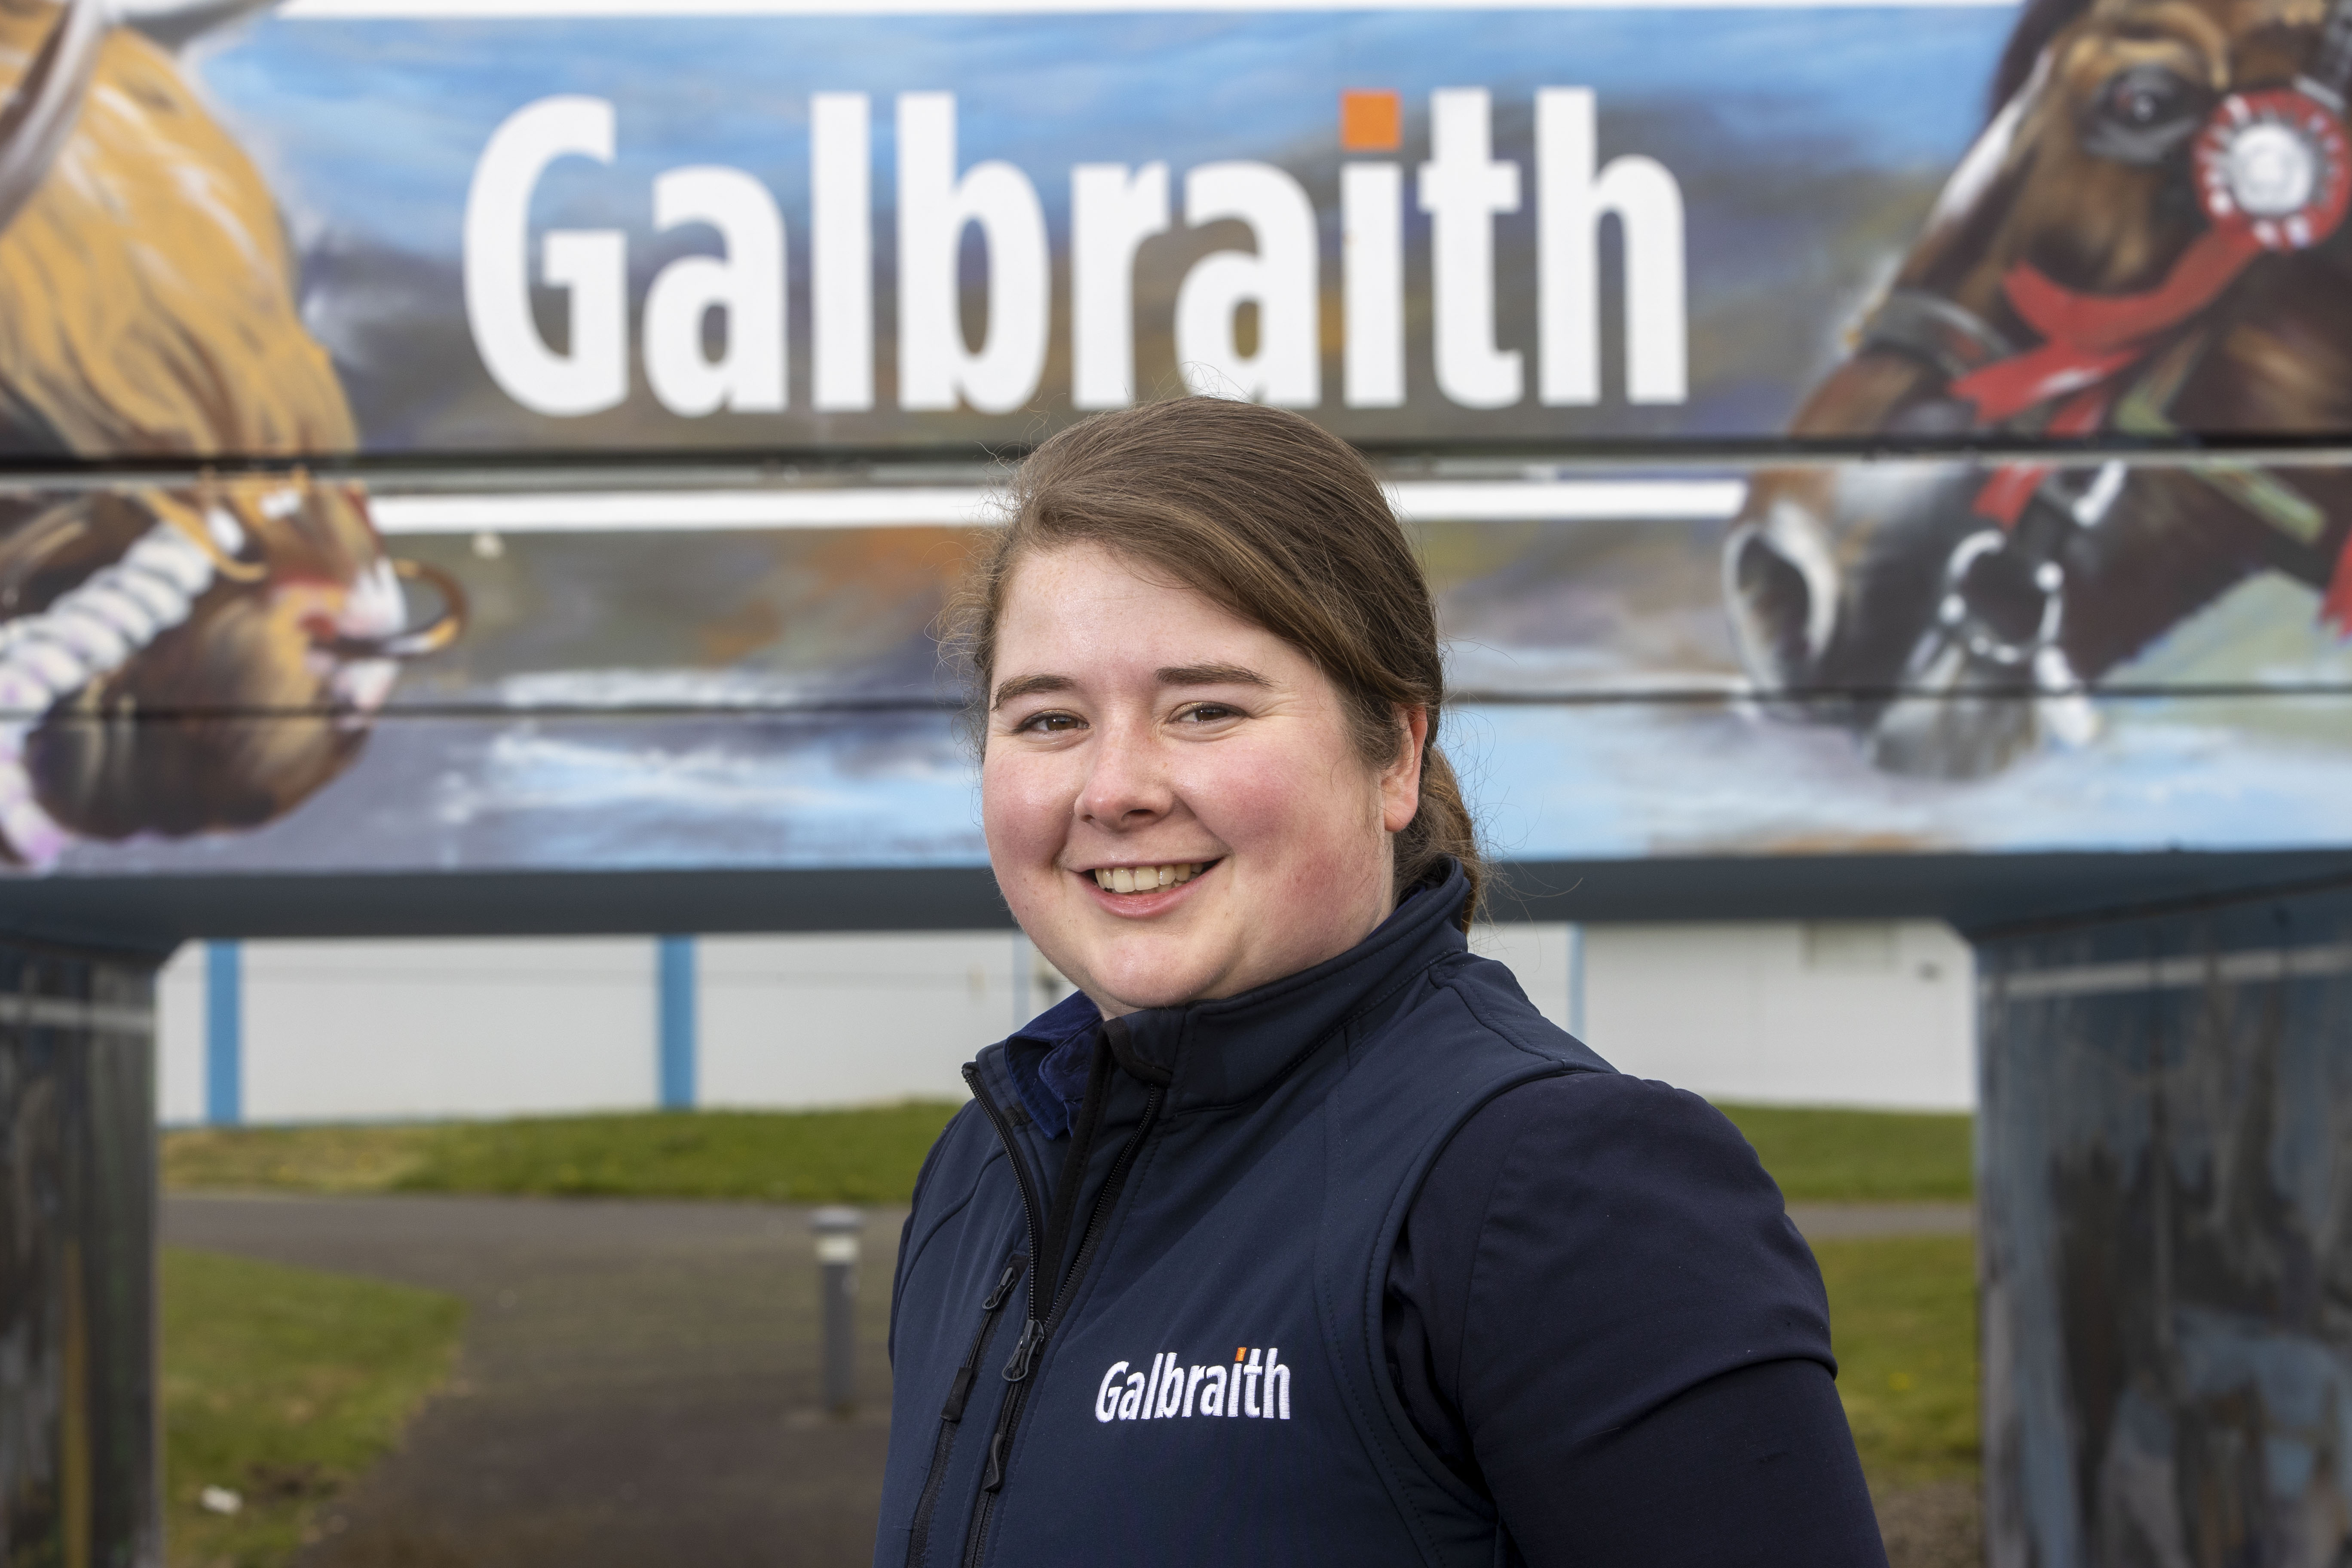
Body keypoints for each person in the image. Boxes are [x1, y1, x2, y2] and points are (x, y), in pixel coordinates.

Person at [874, 397, 1888, 1568]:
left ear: (1396, 752)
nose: (1114, 789)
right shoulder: (983, 1177)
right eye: (1049, 719)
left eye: (1205, 708)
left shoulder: (1557, 1193)